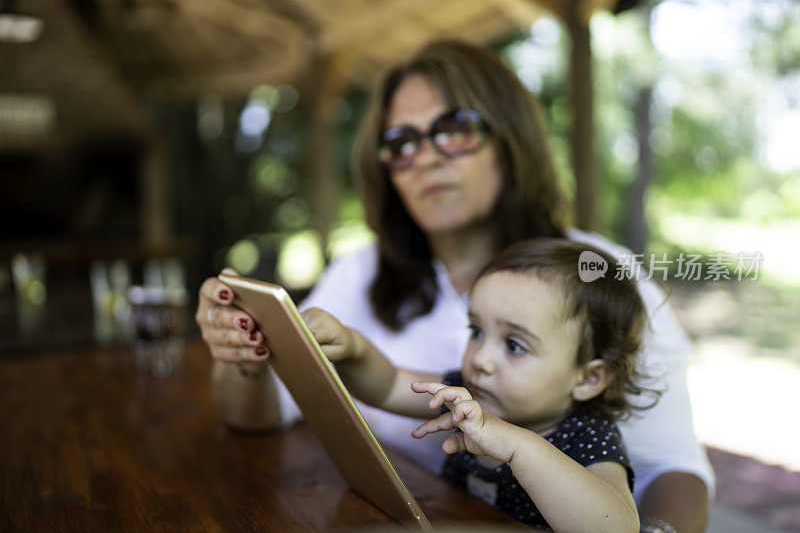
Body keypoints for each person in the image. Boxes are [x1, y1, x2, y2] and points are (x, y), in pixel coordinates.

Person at [196, 40, 713, 532]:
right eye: (401, 141)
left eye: (454, 127)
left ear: (509, 139)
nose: (427, 156)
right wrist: (282, 350)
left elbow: (671, 468)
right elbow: (377, 383)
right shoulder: (361, 275)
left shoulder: (600, 276)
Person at [303, 238, 651, 531]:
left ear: (587, 378)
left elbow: (617, 525)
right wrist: (351, 347)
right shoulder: (467, 398)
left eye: (515, 345)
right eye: (476, 331)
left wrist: (518, 446)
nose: (481, 358)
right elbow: (389, 385)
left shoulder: (587, 437)